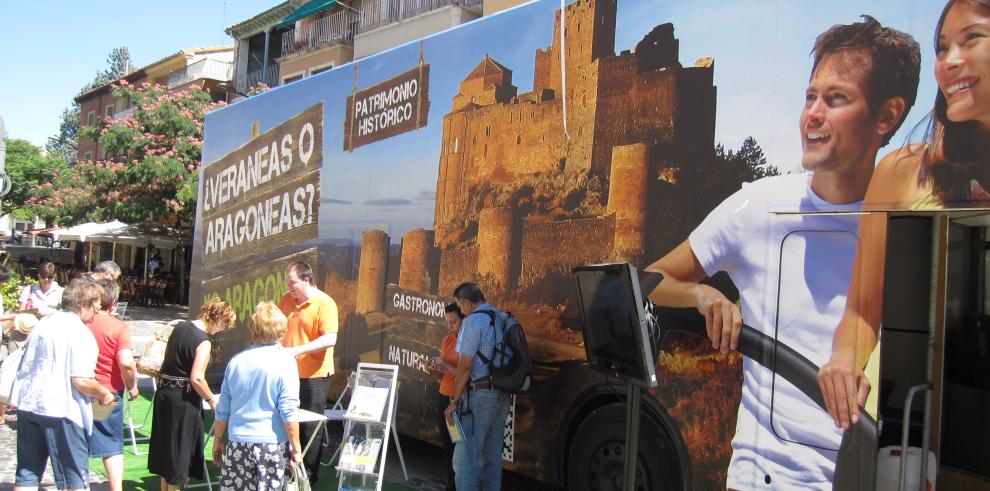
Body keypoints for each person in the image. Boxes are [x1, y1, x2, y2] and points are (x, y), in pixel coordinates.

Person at [645, 17, 919, 490]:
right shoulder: (759, 206)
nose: (812, 113)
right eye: (810, 96)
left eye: (835, 99)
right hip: (762, 478)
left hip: (867, 476)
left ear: (886, 116)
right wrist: (700, 296)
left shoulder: (912, 222)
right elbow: (648, 279)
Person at [820, 0, 990, 429]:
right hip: (890, 433)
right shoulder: (901, 172)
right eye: (942, 47)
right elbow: (861, 313)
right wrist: (844, 359)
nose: (949, 62)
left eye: (970, 39)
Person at [10, 279, 116, 491]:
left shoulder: (43, 324)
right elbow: (81, 380)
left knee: (27, 474)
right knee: (74, 479)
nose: (97, 311)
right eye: (95, 305)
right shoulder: (80, 333)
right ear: (82, 304)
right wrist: (104, 393)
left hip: (29, 404)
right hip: (62, 411)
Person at [213, 302, 303, 491]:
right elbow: (288, 410)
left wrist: (218, 439)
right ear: (281, 329)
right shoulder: (286, 362)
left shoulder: (236, 361)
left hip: (238, 442)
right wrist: (296, 447)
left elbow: (224, 408)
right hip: (271, 445)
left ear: (253, 329)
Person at [148, 297, 235, 491]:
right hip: (183, 401)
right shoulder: (203, 342)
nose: (221, 330)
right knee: (179, 456)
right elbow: (197, 378)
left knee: (166, 454)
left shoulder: (180, 327)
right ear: (218, 318)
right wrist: (212, 399)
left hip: (164, 395)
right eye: (224, 325)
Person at [444, 282, 512, 491]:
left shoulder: (473, 322)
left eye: (460, 306)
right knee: (492, 459)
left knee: (466, 462)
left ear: (467, 303)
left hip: (480, 396)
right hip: (502, 395)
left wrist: (454, 402)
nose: (461, 311)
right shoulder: (501, 318)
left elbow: (465, 366)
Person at [278, 261, 339, 485]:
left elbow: (330, 339)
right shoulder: (286, 300)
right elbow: (277, 329)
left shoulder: (325, 303)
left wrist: (297, 350)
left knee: (310, 429)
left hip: (314, 376)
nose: (289, 287)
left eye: (292, 282)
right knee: (287, 422)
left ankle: (307, 479)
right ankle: (287, 473)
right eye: (288, 283)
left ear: (306, 280)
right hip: (286, 374)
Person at [85, 279, 139, 491]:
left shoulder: (84, 322)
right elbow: (126, 363)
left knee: (79, 438)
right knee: (110, 443)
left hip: (81, 389)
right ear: (114, 301)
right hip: (107, 391)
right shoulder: (118, 326)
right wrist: (133, 385)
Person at [427, 302, 463, 491]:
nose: (450, 326)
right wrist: (433, 368)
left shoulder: (466, 342)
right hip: (443, 395)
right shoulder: (447, 340)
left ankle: (456, 485)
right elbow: (444, 375)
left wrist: (446, 364)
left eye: (453, 322)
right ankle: (451, 484)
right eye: (447, 322)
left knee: (457, 447)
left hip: (456, 400)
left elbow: (466, 374)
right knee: (447, 447)